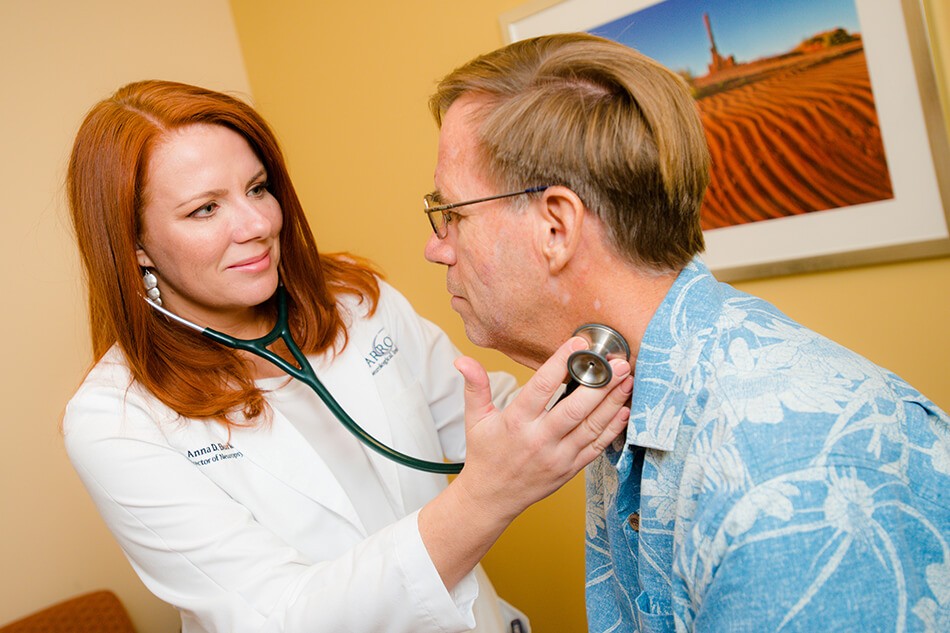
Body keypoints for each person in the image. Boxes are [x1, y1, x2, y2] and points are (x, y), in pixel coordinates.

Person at [62, 79, 634, 633]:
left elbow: (482, 431)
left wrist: (604, 370)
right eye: (205, 210)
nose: (259, 224)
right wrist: (488, 497)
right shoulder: (116, 422)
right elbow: (281, 619)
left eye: (258, 188)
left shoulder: (355, 300)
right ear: (134, 244)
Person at [423, 32, 950, 632]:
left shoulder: (784, 480)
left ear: (556, 228)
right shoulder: (625, 388)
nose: (435, 247)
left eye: (452, 214)